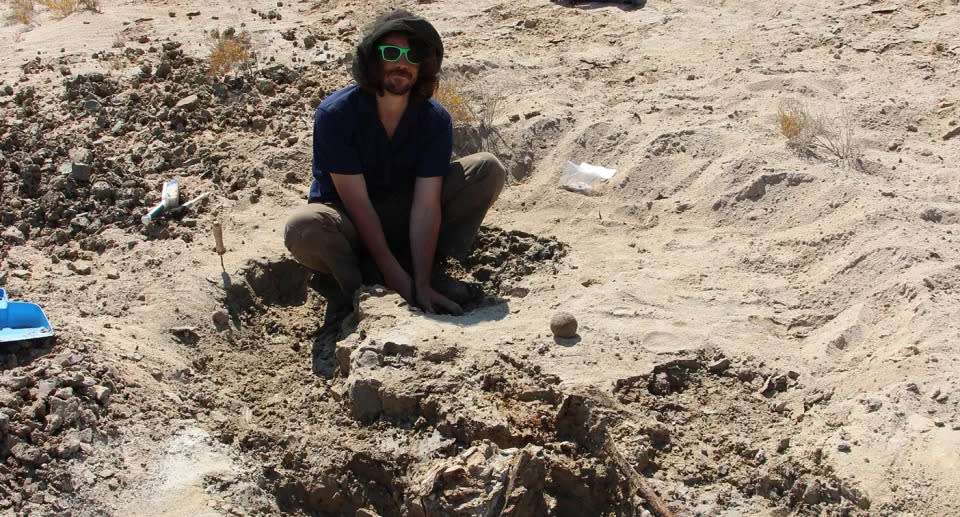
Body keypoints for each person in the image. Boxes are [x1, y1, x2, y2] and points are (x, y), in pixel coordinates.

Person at [284, 9, 506, 317]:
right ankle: (361, 289)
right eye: (391, 52)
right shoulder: (336, 115)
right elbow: (359, 205)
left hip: (403, 215)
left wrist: (423, 281)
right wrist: (397, 279)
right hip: (349, 223)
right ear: (374, 60)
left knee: (487, 169)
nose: (401, 63)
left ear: (422, 65)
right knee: (303, 227)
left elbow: (427, 205)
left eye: (412, 55)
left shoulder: (434, 120)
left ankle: (428, 270)